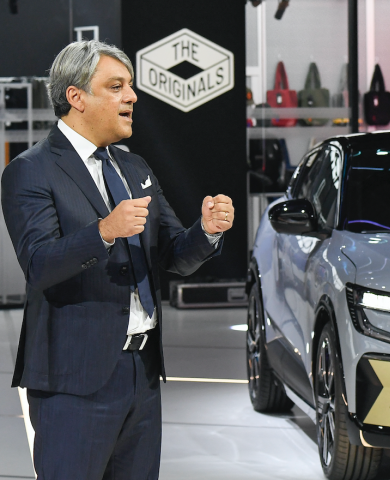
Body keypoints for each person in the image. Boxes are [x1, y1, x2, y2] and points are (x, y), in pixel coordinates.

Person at [0, 40, 234, 479]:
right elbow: (39, 264)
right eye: (116, 86)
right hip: (74, 382)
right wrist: (104, 231)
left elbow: (172, 256)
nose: (132, 97)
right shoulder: (30, 170)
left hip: (142, 375)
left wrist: (206, 232)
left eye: (130, 86)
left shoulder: (134, 167)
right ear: (76, 97)